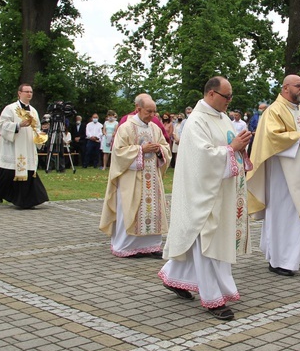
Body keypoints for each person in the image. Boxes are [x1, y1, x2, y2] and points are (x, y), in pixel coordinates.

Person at [159, 77, 252, 320]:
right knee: (207, 242)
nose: (230, 101)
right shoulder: (196, 121)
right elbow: (202, 158)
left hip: (221, 192)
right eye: (226, 96)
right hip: (203, 193)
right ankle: (212, 298)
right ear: (211, 94)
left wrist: (240, 147)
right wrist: (233, 148)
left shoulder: (222, 118)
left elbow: (228, 148)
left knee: (205, 242)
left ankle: (176, 277)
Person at [247, 74, 300, 276]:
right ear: (285, 88)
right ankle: (278, 260)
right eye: (298, 86)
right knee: (282, 214)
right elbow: (271, 136)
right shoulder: (274, 111)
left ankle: (291, 259)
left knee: (298, 217)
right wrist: (299, 137)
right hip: (282, 175)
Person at [99, 96, 170, 258]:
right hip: (131, 179)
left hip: (152, 177)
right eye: (148, 111)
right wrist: (141, 150)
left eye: (154, 111)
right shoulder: (126, 128)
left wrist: (159, 150)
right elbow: (118, 152)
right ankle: (126, 247)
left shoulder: (155, 128)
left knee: (152, 212)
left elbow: (165, 147)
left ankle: (151, 246)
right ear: (138, 109)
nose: (152, 115)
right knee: (130, 210)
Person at [0, 84, 49, 209]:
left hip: (27, 146)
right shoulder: (10, 109)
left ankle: (27, 200)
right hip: (14, 146)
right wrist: (18, 125)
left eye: (31, 92)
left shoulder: (33, 111)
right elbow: (2, 125)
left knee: (29, 171)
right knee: (8, 172)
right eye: (26, 91)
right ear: (19, 93)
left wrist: (40, 136)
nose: (29, 94)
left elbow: (36, 127)